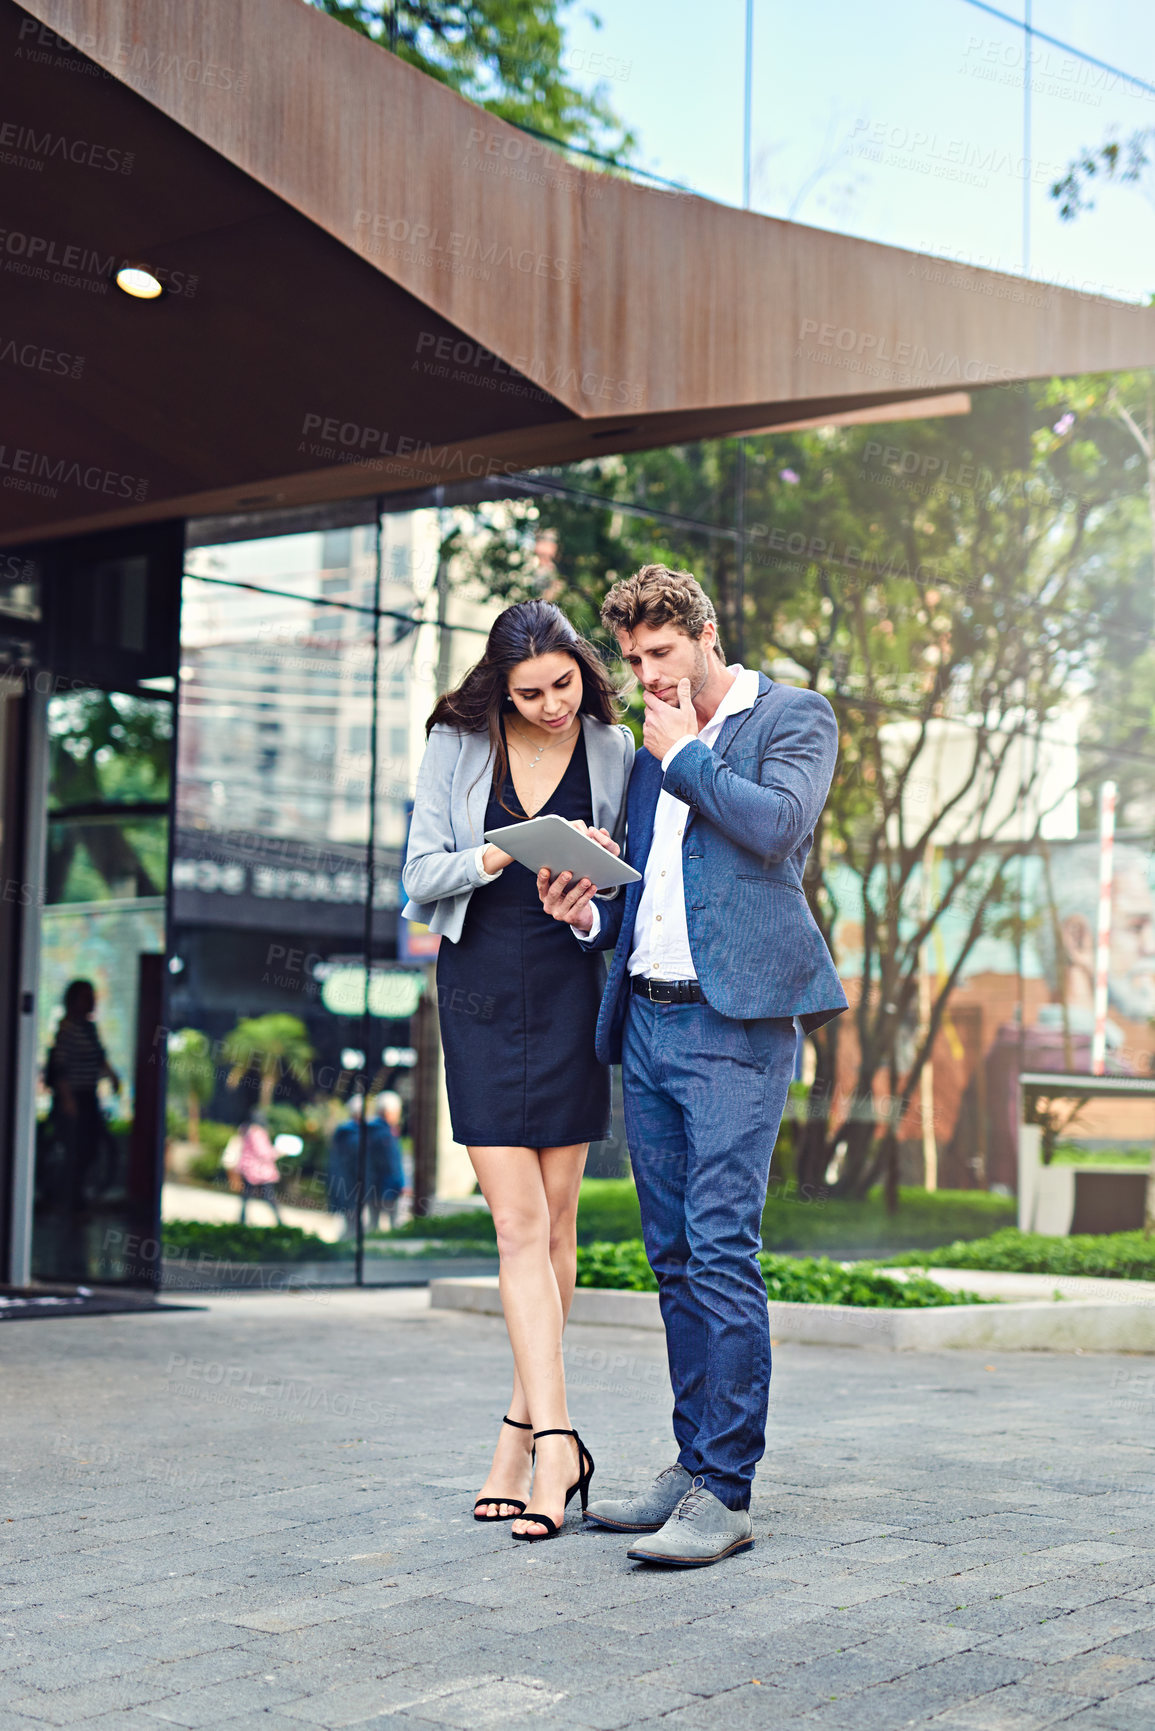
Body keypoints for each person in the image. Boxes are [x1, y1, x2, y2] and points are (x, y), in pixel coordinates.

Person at [540, 564, 846, 1567]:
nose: (645, 674)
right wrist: (587, 908)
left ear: (707, 635)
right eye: (630, 660)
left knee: (720, 1249)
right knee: (671, 1257)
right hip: (649, 1024)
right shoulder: (640, 759)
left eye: (660, 653)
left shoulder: (791, 718)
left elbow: (776, 831)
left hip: (737, 1027)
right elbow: (646, 897)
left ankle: (728, 1487)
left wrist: (685, 754)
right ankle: (691, 1462)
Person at [402, 599, 634, 1540]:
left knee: (558, 1223)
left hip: (568, 980)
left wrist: (597, 868)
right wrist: (496, 852)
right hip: (481, 989)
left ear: (582, 668)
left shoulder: (614, 751)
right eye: (529, 692)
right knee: (518, 1222)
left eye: (563, 686)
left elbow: (632, 884)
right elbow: (420, 874)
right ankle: (558, 1441)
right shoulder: (458, 745)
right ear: (499, 687)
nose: (549, 706)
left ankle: (517, 1434)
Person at [44, 978, 121, 1212]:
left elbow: (99, 1057)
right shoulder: (66, 1028)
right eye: (86, 997)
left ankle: (76, 1199)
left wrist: (113, 1077)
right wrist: (67, 1099)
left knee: (90, 1147)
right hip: (72, 1098)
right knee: (73, 1148)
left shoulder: (90, 1028)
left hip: (89, 1095)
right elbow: (61, 1066)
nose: (91, 1002)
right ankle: (67, 1201)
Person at [366, 1092, 407, 1232]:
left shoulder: (368, 1130)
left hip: (370, 1185)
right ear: (389, 1113)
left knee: (373, 1223)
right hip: (388, 1187)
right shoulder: (386, 1134)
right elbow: (392, 1163)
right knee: (394, 1223)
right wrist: (401, 1184)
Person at [235, 1109, 283, 1225]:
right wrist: (278, 1153)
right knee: (268, 1196)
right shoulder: (257, 1133)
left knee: (246, 1196)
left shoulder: (247, 1131)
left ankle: (241, 1220)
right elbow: (263, 1153)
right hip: (259, 1170)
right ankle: (280, 1222)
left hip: (249, 1169)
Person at [327, 1095, 364, 1239]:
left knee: (352, 1222)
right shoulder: (351, 1135)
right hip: (350, 1185)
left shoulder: (345, 1132)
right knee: (352, 1222)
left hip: (348, 1184)